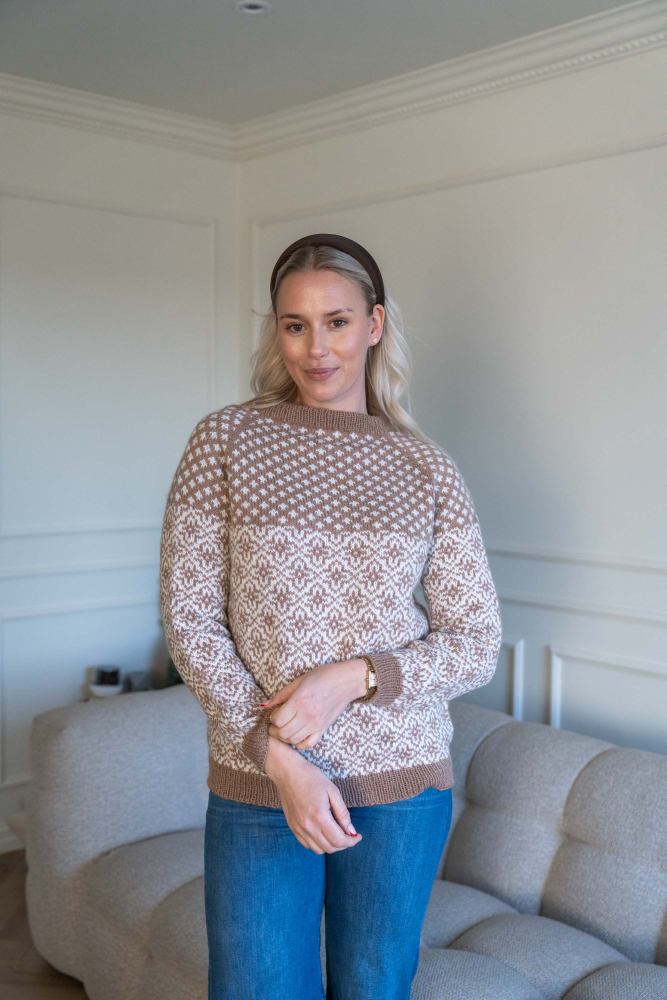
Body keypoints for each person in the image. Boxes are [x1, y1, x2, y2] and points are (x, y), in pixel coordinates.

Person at [159, 233, 502, 1000]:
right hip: (261, 778)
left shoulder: (426, 468)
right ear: (276, 332)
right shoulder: (226, 440)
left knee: (373, 988)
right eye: (295, 325)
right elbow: (191, 619)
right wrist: (278, 757)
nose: (316, 349)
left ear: (373, 325)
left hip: (401, 789)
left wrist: (349, 679)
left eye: (337, 322)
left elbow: (475, 643)